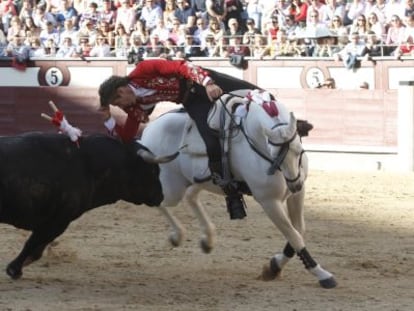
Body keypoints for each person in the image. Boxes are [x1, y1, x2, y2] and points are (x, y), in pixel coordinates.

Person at [98, 58, 262, 220]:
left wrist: (208, 83)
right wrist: (108, 119)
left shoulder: (143, 70)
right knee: (211, 143)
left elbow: (182, 66)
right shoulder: (135, 106)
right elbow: (126, 137)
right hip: (193, 102)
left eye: (117, 103)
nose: (121, 107)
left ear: (120, 92)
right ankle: (233, 194)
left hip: (201, 82)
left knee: (260, 95)